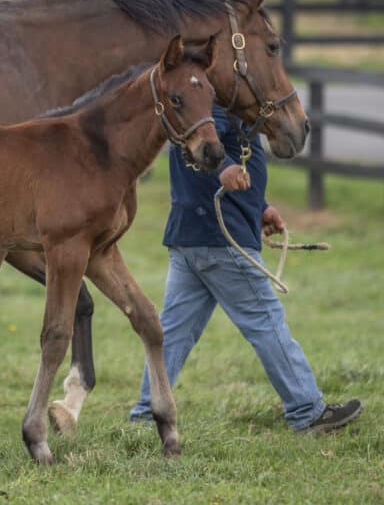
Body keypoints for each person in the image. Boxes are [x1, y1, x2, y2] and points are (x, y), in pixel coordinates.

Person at [129, 105, 362, 432]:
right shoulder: (214, 103)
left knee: (175, 331)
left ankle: (146, 412)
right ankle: (307, 410)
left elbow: (222, 156)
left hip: (191, 235)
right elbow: (197, 141)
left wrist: (260, 208)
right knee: (265, 319)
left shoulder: (206, 98)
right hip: (221, 238)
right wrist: (224, 167)